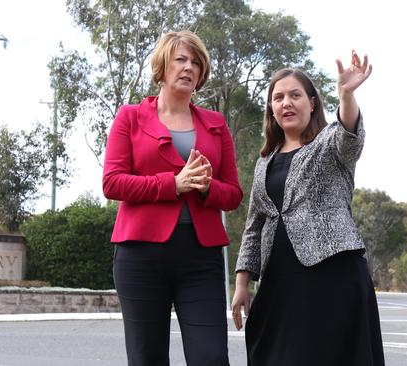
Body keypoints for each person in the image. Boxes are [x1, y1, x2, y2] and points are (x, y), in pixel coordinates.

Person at [232, 51, 385, 365]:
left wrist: (346, 94)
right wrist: (242, 284)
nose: (286, 102)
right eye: (278, 98)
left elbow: (349, 135)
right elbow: (254, 225)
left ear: (312, 103)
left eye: (295, 95)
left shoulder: (329, 144)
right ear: (271, 109)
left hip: (333, 276)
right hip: (279, 281)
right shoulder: (264, 162)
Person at [103, 30, 243, 366]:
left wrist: (207, 187)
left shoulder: (216, 124)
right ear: (163, 66)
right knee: (147, 358)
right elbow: (113, 183)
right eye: (181, 59)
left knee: (211, 357)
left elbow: (234, 194)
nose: (188, 67)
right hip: (140, 257)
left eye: (196, 63)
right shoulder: (130, 117)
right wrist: (173, 185)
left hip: (200, 258)